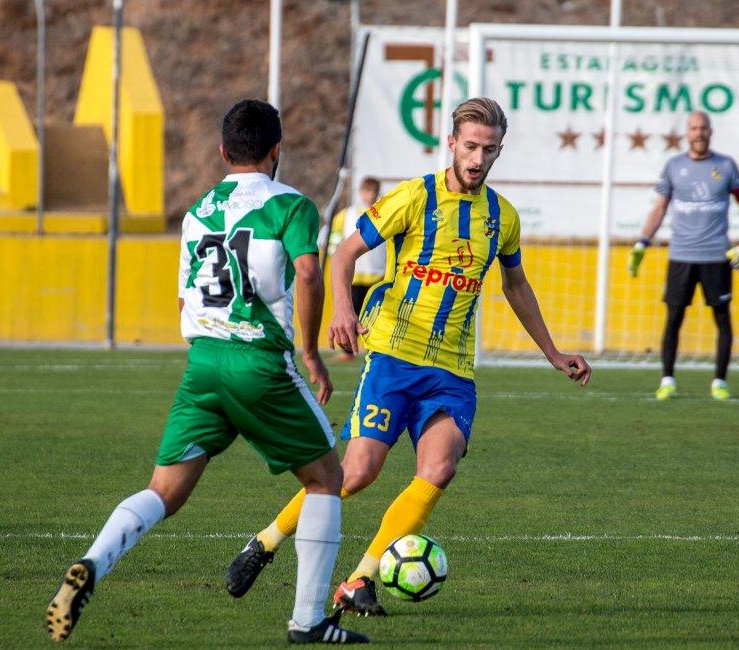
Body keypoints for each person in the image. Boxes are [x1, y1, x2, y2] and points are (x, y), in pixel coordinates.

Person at [225, 97, 592, 616]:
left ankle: (360, 579)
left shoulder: (501, 218)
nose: (478, 158)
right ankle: (264, 542)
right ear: (452, 143)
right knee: (356, 474)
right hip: (395, 356)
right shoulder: (415, 197)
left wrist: (553, 352)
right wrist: (343, 311)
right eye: (470, 146)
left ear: (498, 152)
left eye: (489, 150)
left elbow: (515, 284)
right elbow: (344, 253)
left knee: (439, 468)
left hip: (452, 371)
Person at [45, 100, 368, 645]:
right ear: (276, 152)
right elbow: (309, 273)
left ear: (223, 152)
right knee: (326, 479)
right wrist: (310, 352)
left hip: (202, 364)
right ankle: (308, 622)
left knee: (164, 490)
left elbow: (183, 299)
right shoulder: (290, 205)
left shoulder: (198, 209)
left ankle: (93, 564)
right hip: (258, 363)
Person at [627, 110, 739, 401]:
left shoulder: (726, 165)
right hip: (681, 257)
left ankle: (720, 382)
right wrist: (641, 243)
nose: (699, 133)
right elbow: (659, 208)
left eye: (703, 128)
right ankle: (668, 380)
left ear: (710, 131)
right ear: (688, 132)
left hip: (716, 257)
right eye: (694, 128)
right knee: (673, 319)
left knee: (722, 319)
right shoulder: (674, 166)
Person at [318, 177, 386, 361]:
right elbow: (326, 236)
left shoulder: (386, 212)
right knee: (350, 315)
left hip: (378, 276)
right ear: (361, 192)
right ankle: (348, 352)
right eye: (367, 191)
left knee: (380, 319)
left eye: (374, 191)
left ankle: (380, 352)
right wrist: (334, 253)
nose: (370, 195)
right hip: (354, 277)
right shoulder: (347, 215)